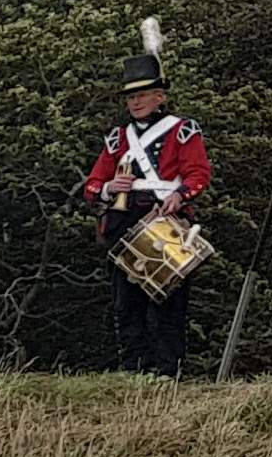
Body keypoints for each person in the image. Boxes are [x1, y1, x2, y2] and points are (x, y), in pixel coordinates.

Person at [83, 42, 214, 378]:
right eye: (131, 97)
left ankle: (170, 372)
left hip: (165, 218)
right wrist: (111, 187)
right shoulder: (117, 137)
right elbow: (93, 185)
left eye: (142, 95)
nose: (136, 102)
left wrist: (181, 196)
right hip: (125, 221)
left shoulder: (182, 130)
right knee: (126, 306)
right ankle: (134, 371)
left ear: (160, 96)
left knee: (170, 304)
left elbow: (199, 174)